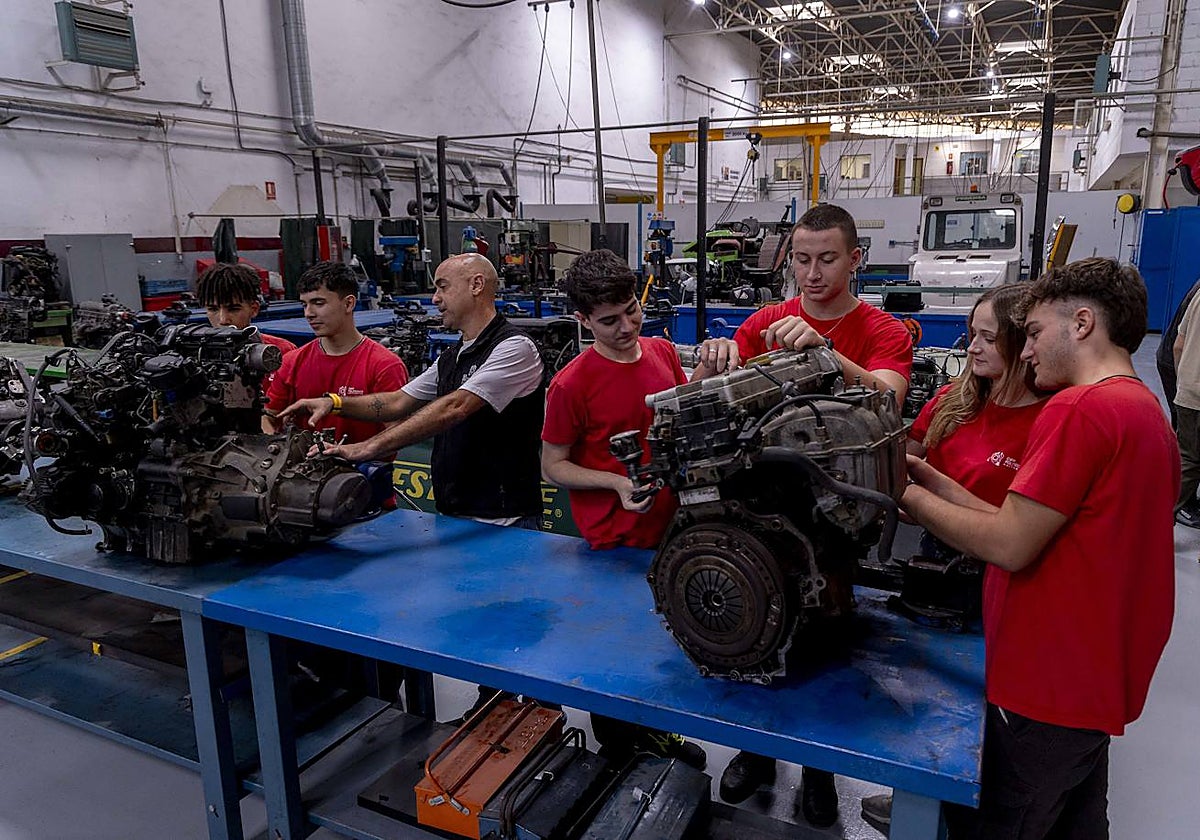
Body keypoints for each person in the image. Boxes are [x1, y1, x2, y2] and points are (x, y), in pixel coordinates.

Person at [901, 258, 1177, 840]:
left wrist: (903, 494)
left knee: (1005, 823)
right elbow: (1026, 524)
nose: (1025, 352)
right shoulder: (1143, 410)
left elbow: (1008, 545)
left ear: (1082, 323)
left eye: (1033, 333)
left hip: (1046, 685)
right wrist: (928, 479)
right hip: (1091, 681)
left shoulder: (1078, 409)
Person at [693, 203, 915, 828]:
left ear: (855, 260)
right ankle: (756, 752)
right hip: (760, 512)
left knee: (825, 648)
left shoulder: (881, 330)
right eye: (801, 259)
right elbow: (712, 388)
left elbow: (888, 398)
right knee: (756, 632)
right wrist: (712, 356)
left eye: (827, 259)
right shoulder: (766, 321)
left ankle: (819, 769)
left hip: (835, 519)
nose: (812, 274)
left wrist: (826, 354)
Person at [858, 283, 1047, 834]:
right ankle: (921, 794)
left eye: (989, 337)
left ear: (1023, 344)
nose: (973, 347)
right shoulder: (951, 402)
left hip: (1004, 579)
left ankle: (974, 808)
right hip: (936, 569)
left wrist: (918, 498)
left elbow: (1019, 529)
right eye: (972, 334)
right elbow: (904, 464)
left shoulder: (1050, 421)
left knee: (991, 714)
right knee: (926, 699)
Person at [540, 247, 706, 770]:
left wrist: (708, 372)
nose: (627, 327)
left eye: (632, 310)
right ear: (583, 319)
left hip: (672, 532)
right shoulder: (571, 384)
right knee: (615, 660)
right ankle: (619, 755)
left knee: (665, 649)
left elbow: (680, 415)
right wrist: (614, 483)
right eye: (609, 320)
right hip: (614, 546)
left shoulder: (662, 353)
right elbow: (553, 465)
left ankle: (658, 733)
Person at [278, 252, 544, 527]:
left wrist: (365, 448)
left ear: (476, 285)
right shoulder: (452, 356)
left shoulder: (514, 348)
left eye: (443, 287)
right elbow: (397, 402)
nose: (435, 299)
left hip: (506, 520)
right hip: (455, 513)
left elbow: (455, 407)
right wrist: (334, 403)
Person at [264, 261, 408, 442]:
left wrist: (354, 452)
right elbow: (268, 418)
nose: (308, 313)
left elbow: (396, 434)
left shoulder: (384, 366)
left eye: (318, 303)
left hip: (362, 460)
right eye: (304, 305)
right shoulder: (291, 362)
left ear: (348, 304)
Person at [196, 262, 296, 388]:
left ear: (254, 309)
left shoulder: (284, 351)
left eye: (233, 309)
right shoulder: (193, 356)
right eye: (213, 309)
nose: (223, 320)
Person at [1170, 287, 1200, 528]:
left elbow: (1178, 346)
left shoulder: (1198, 294)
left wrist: (1184, 382)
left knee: (1187, 459)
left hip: (1188, 393)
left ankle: (1155, 521)